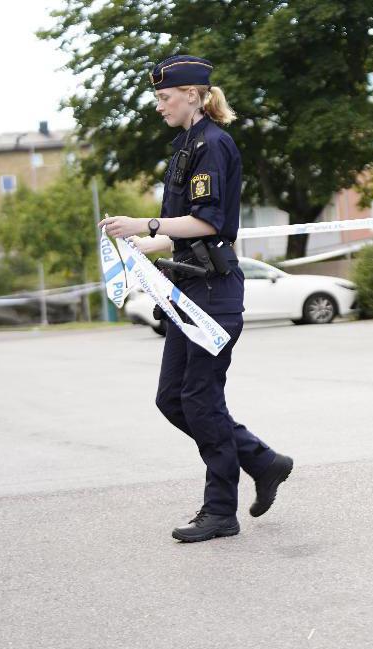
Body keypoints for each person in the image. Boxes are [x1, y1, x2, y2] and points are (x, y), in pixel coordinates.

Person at [100, 55, 293, 543]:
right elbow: (183, 233)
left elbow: (208, 224)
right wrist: (138, 245)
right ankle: (261, 460)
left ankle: (220, 510)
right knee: (173, 398)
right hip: (187, 289)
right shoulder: (186, 145)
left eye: (165, 98)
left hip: (213, 293)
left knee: (200, 401)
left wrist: (143, 224)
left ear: (192, 94)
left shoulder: (211, 144)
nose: (159, 106)